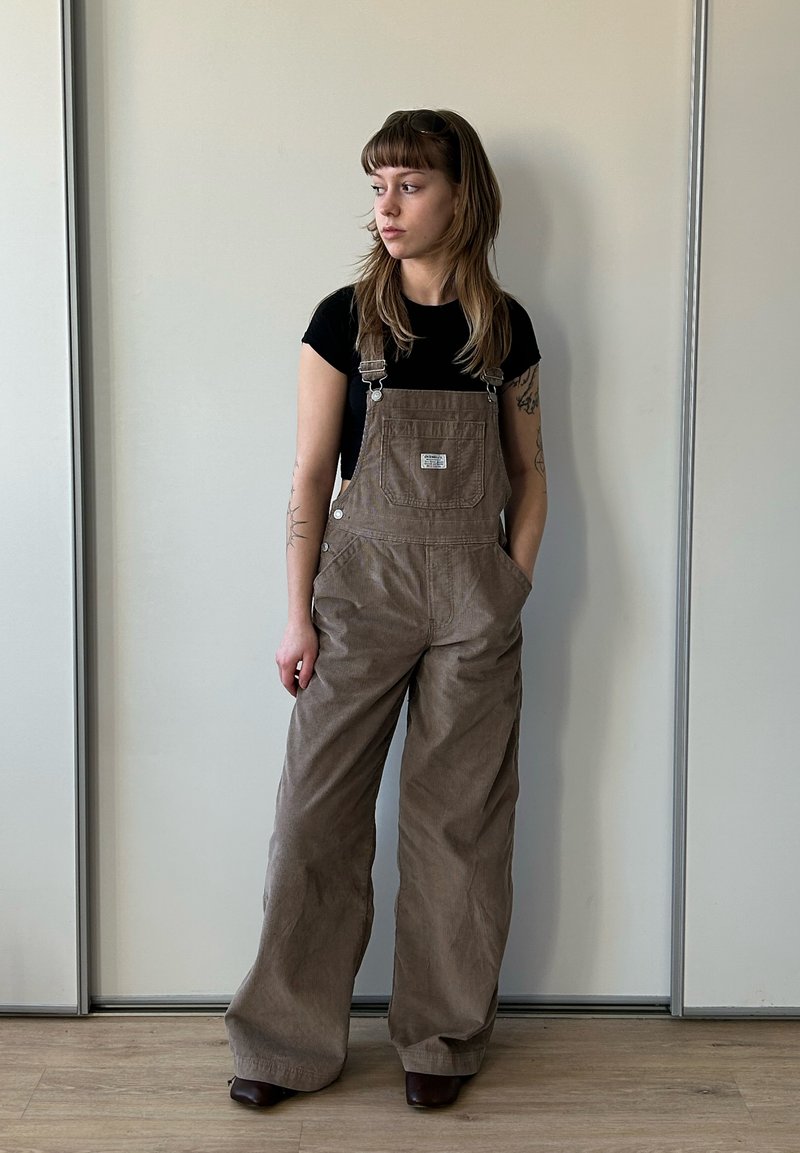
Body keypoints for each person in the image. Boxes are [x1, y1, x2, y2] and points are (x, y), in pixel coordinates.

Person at [224, 108, 547, 1111]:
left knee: (458, 828)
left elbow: (531, 474)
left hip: (473, 602)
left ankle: (440, 1040)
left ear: (461, 193)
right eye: (377, 187)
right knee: (315, 817)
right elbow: (309, 474)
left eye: (409, 184)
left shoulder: (504, 329)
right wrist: (297, 615)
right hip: (358, 596)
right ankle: (282, 1044)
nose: (387, 206)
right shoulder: (344, 320)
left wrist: (509, 584)